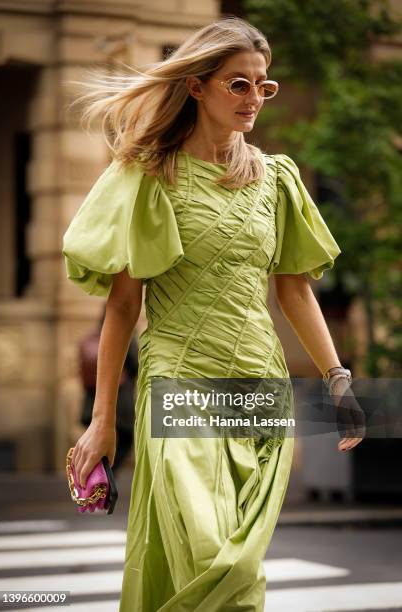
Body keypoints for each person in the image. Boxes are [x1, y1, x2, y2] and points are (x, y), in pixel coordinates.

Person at [62, 16, 363, 611]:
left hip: (258, 385)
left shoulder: (277, 181)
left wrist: (337, 378)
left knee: (240, 561)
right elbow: (124, 305)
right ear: (197, 86)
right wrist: (103, 422)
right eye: (239, 84)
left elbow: (295, 291)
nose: (255, 98)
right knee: (210, 555)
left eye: (263, 85)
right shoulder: (149, 177)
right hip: (180, 379)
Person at [78, 306, 138, 473]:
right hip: (119, 403)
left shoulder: (92, 339)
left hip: (91, 404)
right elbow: (135, 365)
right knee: (126, 440)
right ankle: (106, 475)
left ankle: (95, 479)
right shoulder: (125, 338)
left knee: (95, 447)